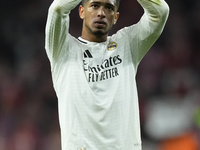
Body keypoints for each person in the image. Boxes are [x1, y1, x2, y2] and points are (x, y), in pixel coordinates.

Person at [45, 0, 169, 149]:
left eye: (109, 8)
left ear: (115, 17)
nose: (101, 13)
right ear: (81, 11)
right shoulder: (62, 50)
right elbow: (58, 8)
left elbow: (160, 12)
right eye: (94, 6)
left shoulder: (127, 44)